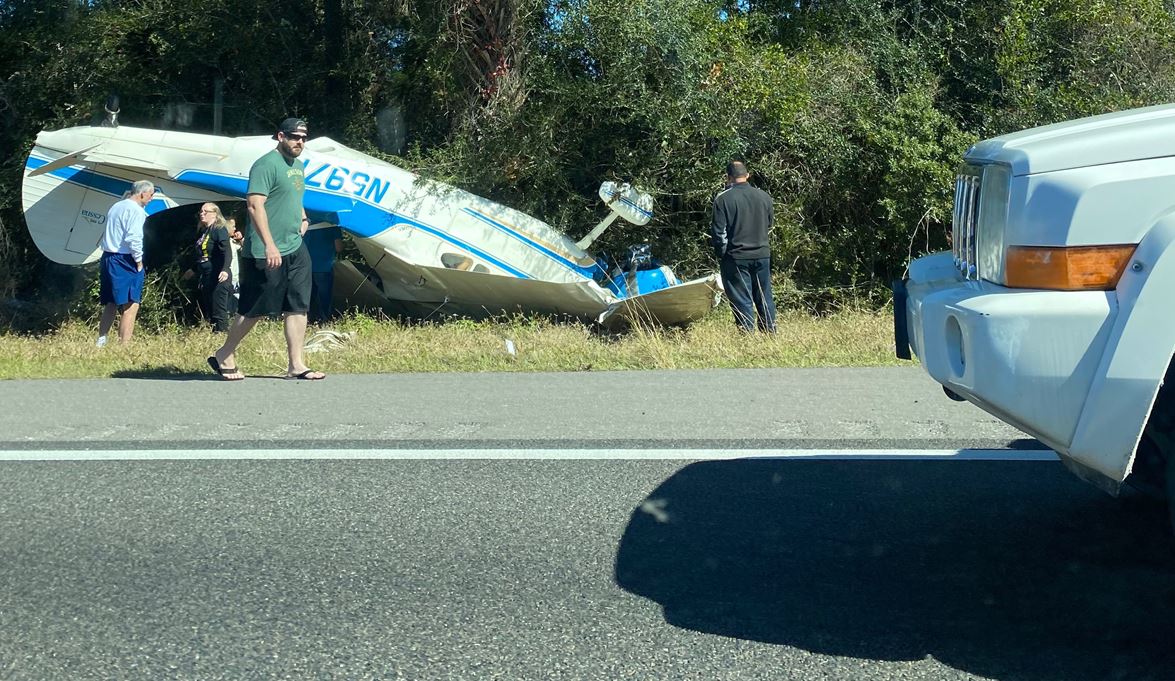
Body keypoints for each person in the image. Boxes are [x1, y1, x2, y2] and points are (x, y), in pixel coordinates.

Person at [208, 117, 325, 381]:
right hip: (265, 250)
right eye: (295, 137)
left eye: (304, 138)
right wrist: (270, 245)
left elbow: (292, 197)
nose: (300, 142)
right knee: (255, 308)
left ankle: (297, 364)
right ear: (280, 136)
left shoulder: (298, 166)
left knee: (298, 306)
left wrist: (303, 217)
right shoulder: (265, 165)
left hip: (295, 246)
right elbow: (254, 205)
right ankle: (224, 353)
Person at [710, 160, 777, 333]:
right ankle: (770, 331)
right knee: (764, 295)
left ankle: (747, 334)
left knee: (741, 298)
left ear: (728, 178)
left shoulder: (723, 199)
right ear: (747, 175)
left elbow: (719, 233)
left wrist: (722, 255)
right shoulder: (764, 196)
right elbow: (769, 225)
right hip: (762, 254)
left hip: (736, 256)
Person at [96, 179, 155, 346]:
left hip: (108, 256)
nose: (151, 199)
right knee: (131, 303)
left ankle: (101, 340)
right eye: (150, 195)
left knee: (111, 302)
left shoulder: (117, 206)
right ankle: (124, 345)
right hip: (125, 259)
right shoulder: (136, 211)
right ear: (142, 193)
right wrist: (138, 261)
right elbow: (133, 237)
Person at [183, 203, 234, 332]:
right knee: (209, 309)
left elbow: (226, 251)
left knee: (218, 310)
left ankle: (222, 337)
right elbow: (204, 255)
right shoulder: (204, 231)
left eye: (206, 211)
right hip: (206, 275)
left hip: (218, 274)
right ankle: (214, 336)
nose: (202, 214)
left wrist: (225, 269)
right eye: (201, 211)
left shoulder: (219, 229)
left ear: (215, 214)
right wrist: (193, 269)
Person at [304, 222, 343, 324]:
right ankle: (324, 321)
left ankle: (310, 320)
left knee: (309, 297)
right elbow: (339, 247)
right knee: (324, 298)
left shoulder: (306, 222)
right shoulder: (333, 224)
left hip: (306, 266)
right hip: (324, 266)